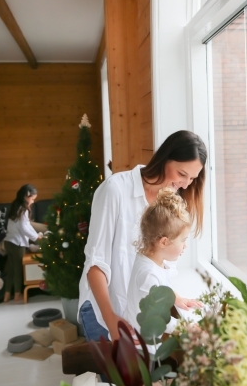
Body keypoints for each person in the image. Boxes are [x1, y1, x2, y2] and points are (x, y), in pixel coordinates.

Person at [78, 130, 207, 341]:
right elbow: (96, 264)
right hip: (103, 312)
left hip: (136, 315)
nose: (185, 184)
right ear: (165, 159)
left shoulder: (171, 204)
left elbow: (158, 266)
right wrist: (111, 321)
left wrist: (174, 297)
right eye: (182, 174)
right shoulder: (115, 190)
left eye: (192, 178)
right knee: (114, 375)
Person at [124, 187, 202, 352]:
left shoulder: (150, 260)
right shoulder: (149, 274)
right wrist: (186, 327)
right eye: (183, 240)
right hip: (141, 349)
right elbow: (157, 318)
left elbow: (160, 290)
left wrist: (177, 298)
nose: (185, 246)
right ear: (164, 242)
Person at [3, 184, 43, 302]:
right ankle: (17, 295)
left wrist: (36, 235)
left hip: (8, 242)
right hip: (17, 244)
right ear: (27, 196)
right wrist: (36, 238)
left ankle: (6, 295)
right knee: (18, 269)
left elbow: (27, 226)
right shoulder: (23, 209)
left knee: (11, 269)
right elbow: (24, 229)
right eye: (32, 199)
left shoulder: (15, 206)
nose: (32, 202)